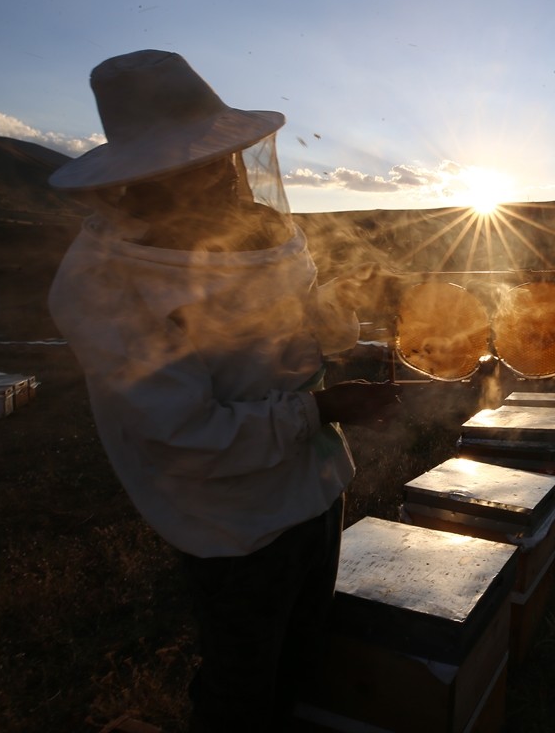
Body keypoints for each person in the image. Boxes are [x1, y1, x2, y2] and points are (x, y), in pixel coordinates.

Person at [47, 50, 403, 732]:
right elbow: (185, 435)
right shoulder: (105, 285)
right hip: (233, 524)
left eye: (226, 159)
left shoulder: (253, 231)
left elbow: (288, 329)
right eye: (199, 164)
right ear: (145, 177)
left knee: (301, 667)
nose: (226, 178)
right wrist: (325, 407)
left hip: (316, 488)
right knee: (242, 694)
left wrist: (342, 305)